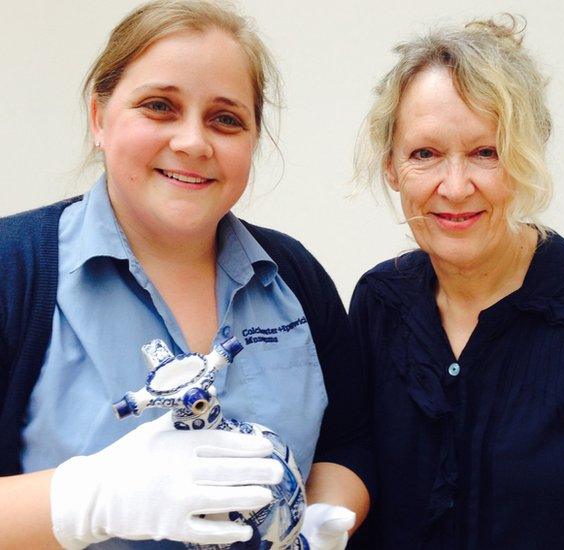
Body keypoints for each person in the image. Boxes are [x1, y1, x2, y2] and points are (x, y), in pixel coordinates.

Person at [0, 1, 371, 548]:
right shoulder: (15, 272)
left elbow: (350, 442)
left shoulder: (294, 277)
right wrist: (90, 499)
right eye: (159, 106)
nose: (194, 142)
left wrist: (326, 516)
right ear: (99, 117)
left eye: (226, 119)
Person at [349, 15, 564, 549]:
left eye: (486, 153)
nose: (454, 187)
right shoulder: (378, 303)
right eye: (424, 154)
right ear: (391, 166)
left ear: (526, 158)